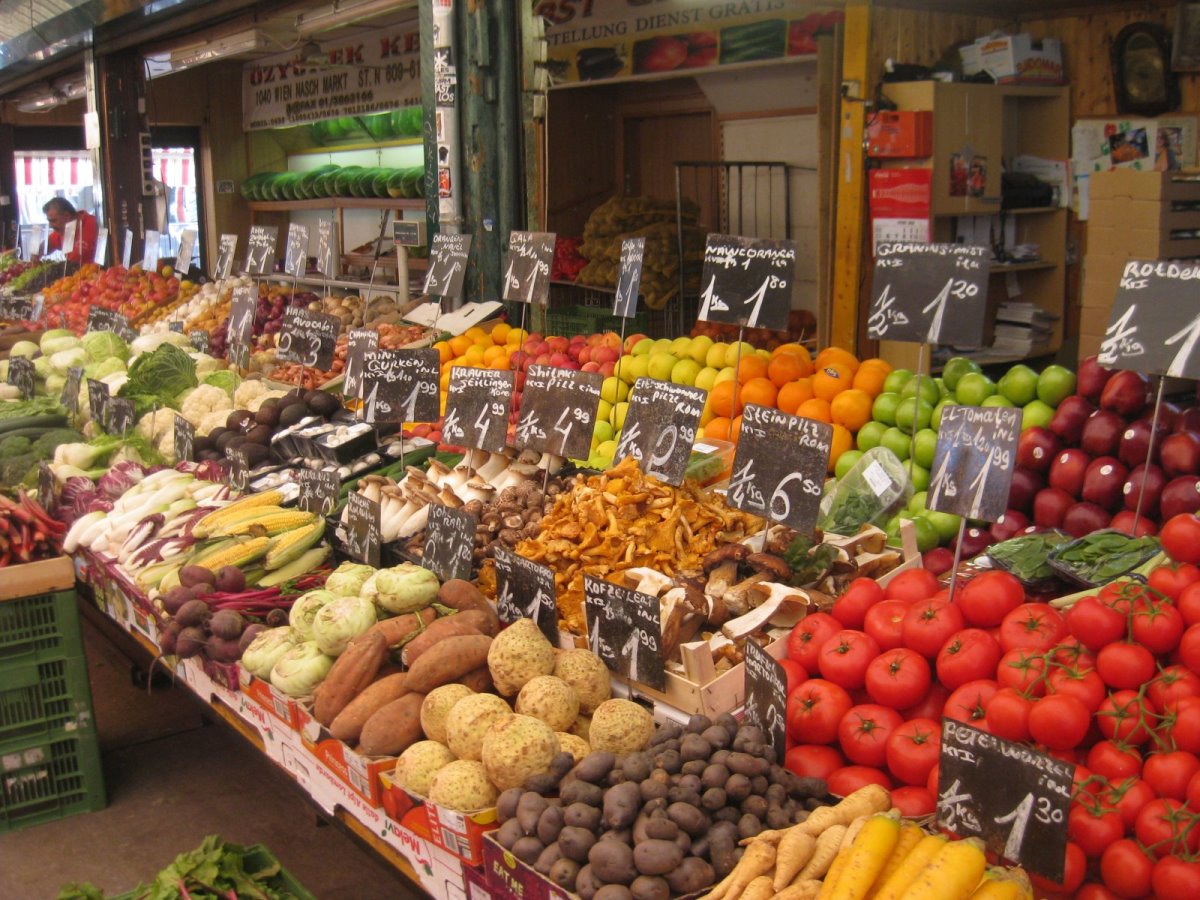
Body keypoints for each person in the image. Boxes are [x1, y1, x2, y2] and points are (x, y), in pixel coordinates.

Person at [41, 197, 97, 264]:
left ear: (67, 216)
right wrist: (36, 253)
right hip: (74, 273)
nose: (50, 225)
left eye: (53, 221)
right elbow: (47, 245)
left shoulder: (95, 224)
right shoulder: (63, 229)